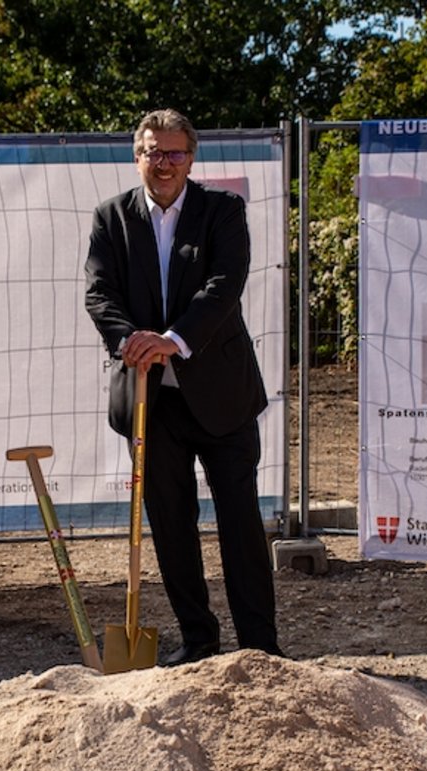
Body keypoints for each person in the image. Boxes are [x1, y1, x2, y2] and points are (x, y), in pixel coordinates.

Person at [84, 108, 280, 667]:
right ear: (136, 155)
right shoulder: (110, 218)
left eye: (175, 153)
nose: (164, 163)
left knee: (241, 522)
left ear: (191, 158)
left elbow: (224, 286)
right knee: (170, 525)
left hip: (222, 398)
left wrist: (172, 339)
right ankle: (198, 640)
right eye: (153, 151)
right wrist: (132, 343)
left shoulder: (223, 212)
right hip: (151, 401)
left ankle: (260, 647)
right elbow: (100, 295)